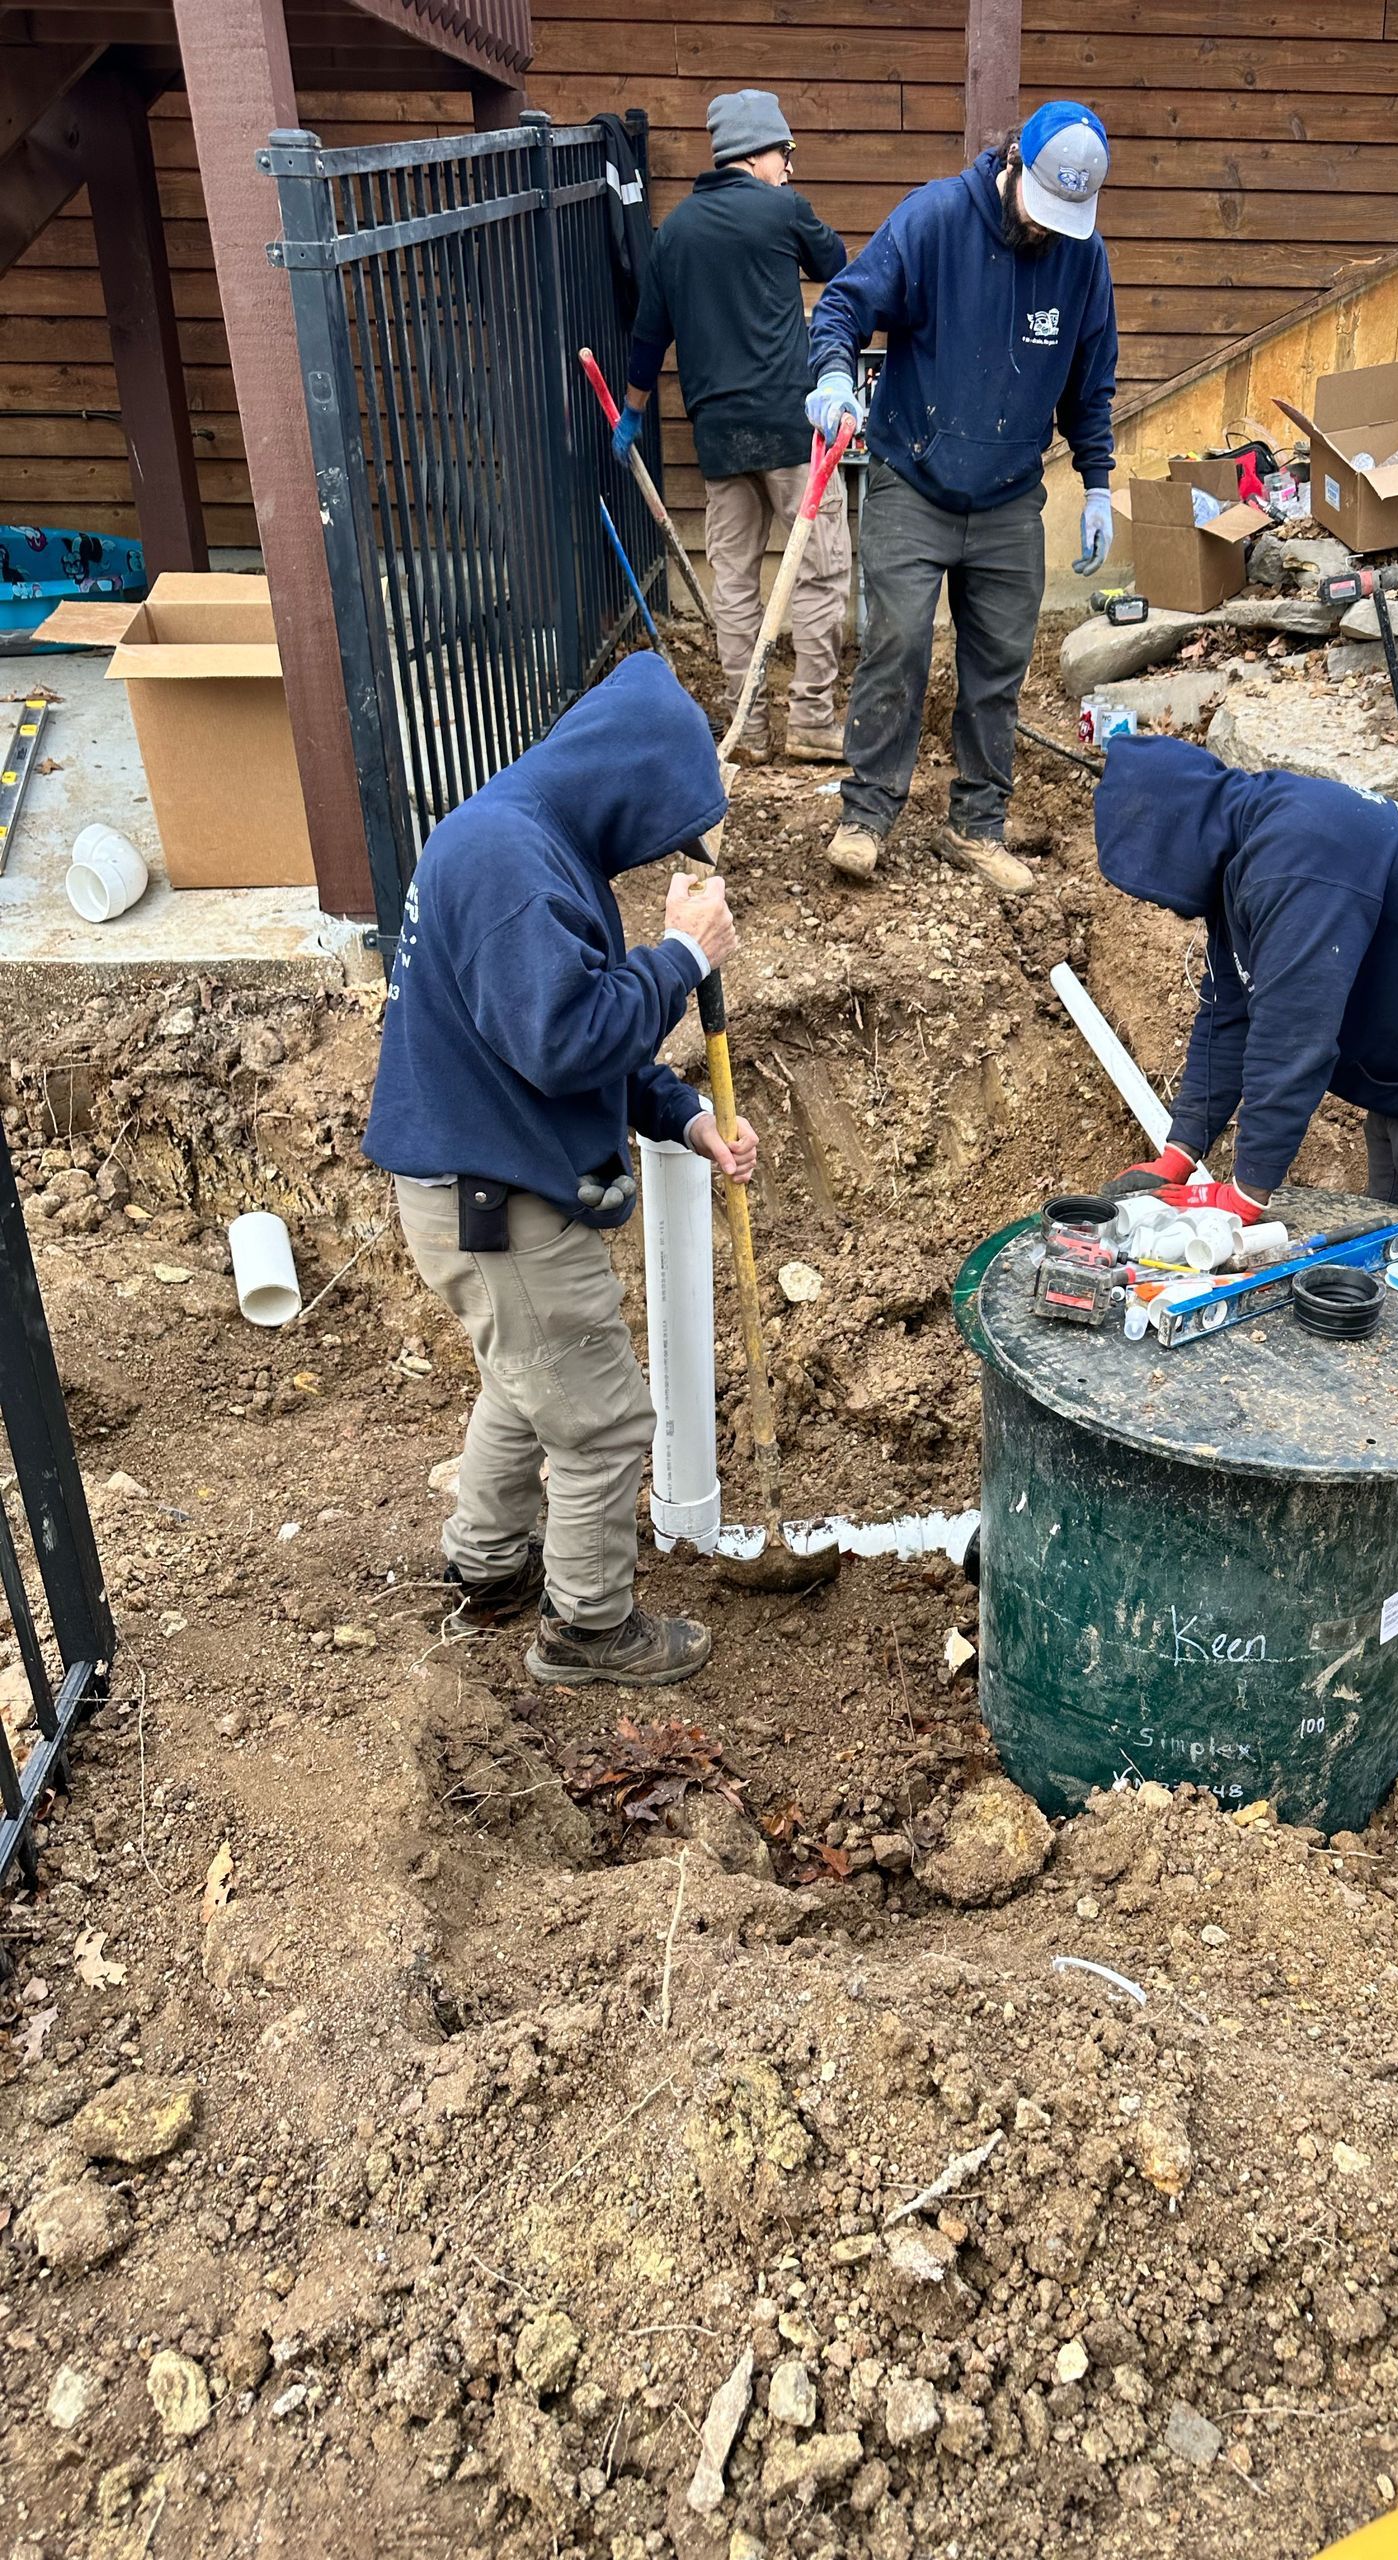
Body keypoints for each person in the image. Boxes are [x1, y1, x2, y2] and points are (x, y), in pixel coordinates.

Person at [364, 654, 760, 1691]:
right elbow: (564, 1038)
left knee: (528, 1374)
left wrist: (683, 1115)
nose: (658, 853)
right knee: (601, 1421)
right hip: (493, 1198)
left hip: (478, 1181)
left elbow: (576, 1024)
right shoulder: (511, 863)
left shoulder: (527, 833)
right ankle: (588, 1628)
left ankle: (488, 1563)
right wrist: (681, 958)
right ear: (625, 782)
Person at [1094, 739, 1398, 1256]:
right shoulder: (1241, 852)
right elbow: (1228, 1012)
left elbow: (1292, 1037)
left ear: (1171, 843)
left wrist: (1244, 1196)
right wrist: (1180, 1153)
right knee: (1396, 1250)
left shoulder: (1296, 860)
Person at [805, 101, 1119, 897]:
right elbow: (844, 302)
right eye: (1042, 206)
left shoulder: (1083, 256)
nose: (1048, 229)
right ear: (1015, 164)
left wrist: (1097, 484)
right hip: (913, 477)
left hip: (1012, 493)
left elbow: (1091, 382)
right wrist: (836, 377)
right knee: (898, 644)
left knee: (998, 667)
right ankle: (866, 814)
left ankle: (975, 825)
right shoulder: (937, 219)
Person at [613, 89, 851, 765]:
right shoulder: (782, 210)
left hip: (718, 436)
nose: (790, 168)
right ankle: (810, 718)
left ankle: (744, 729)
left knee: (737, 582)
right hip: (788, 423)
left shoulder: (675, 231)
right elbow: (841, 273)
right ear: (759, 152)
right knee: (820, 569)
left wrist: (632, 411)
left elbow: (647, 339)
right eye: (786, 153)